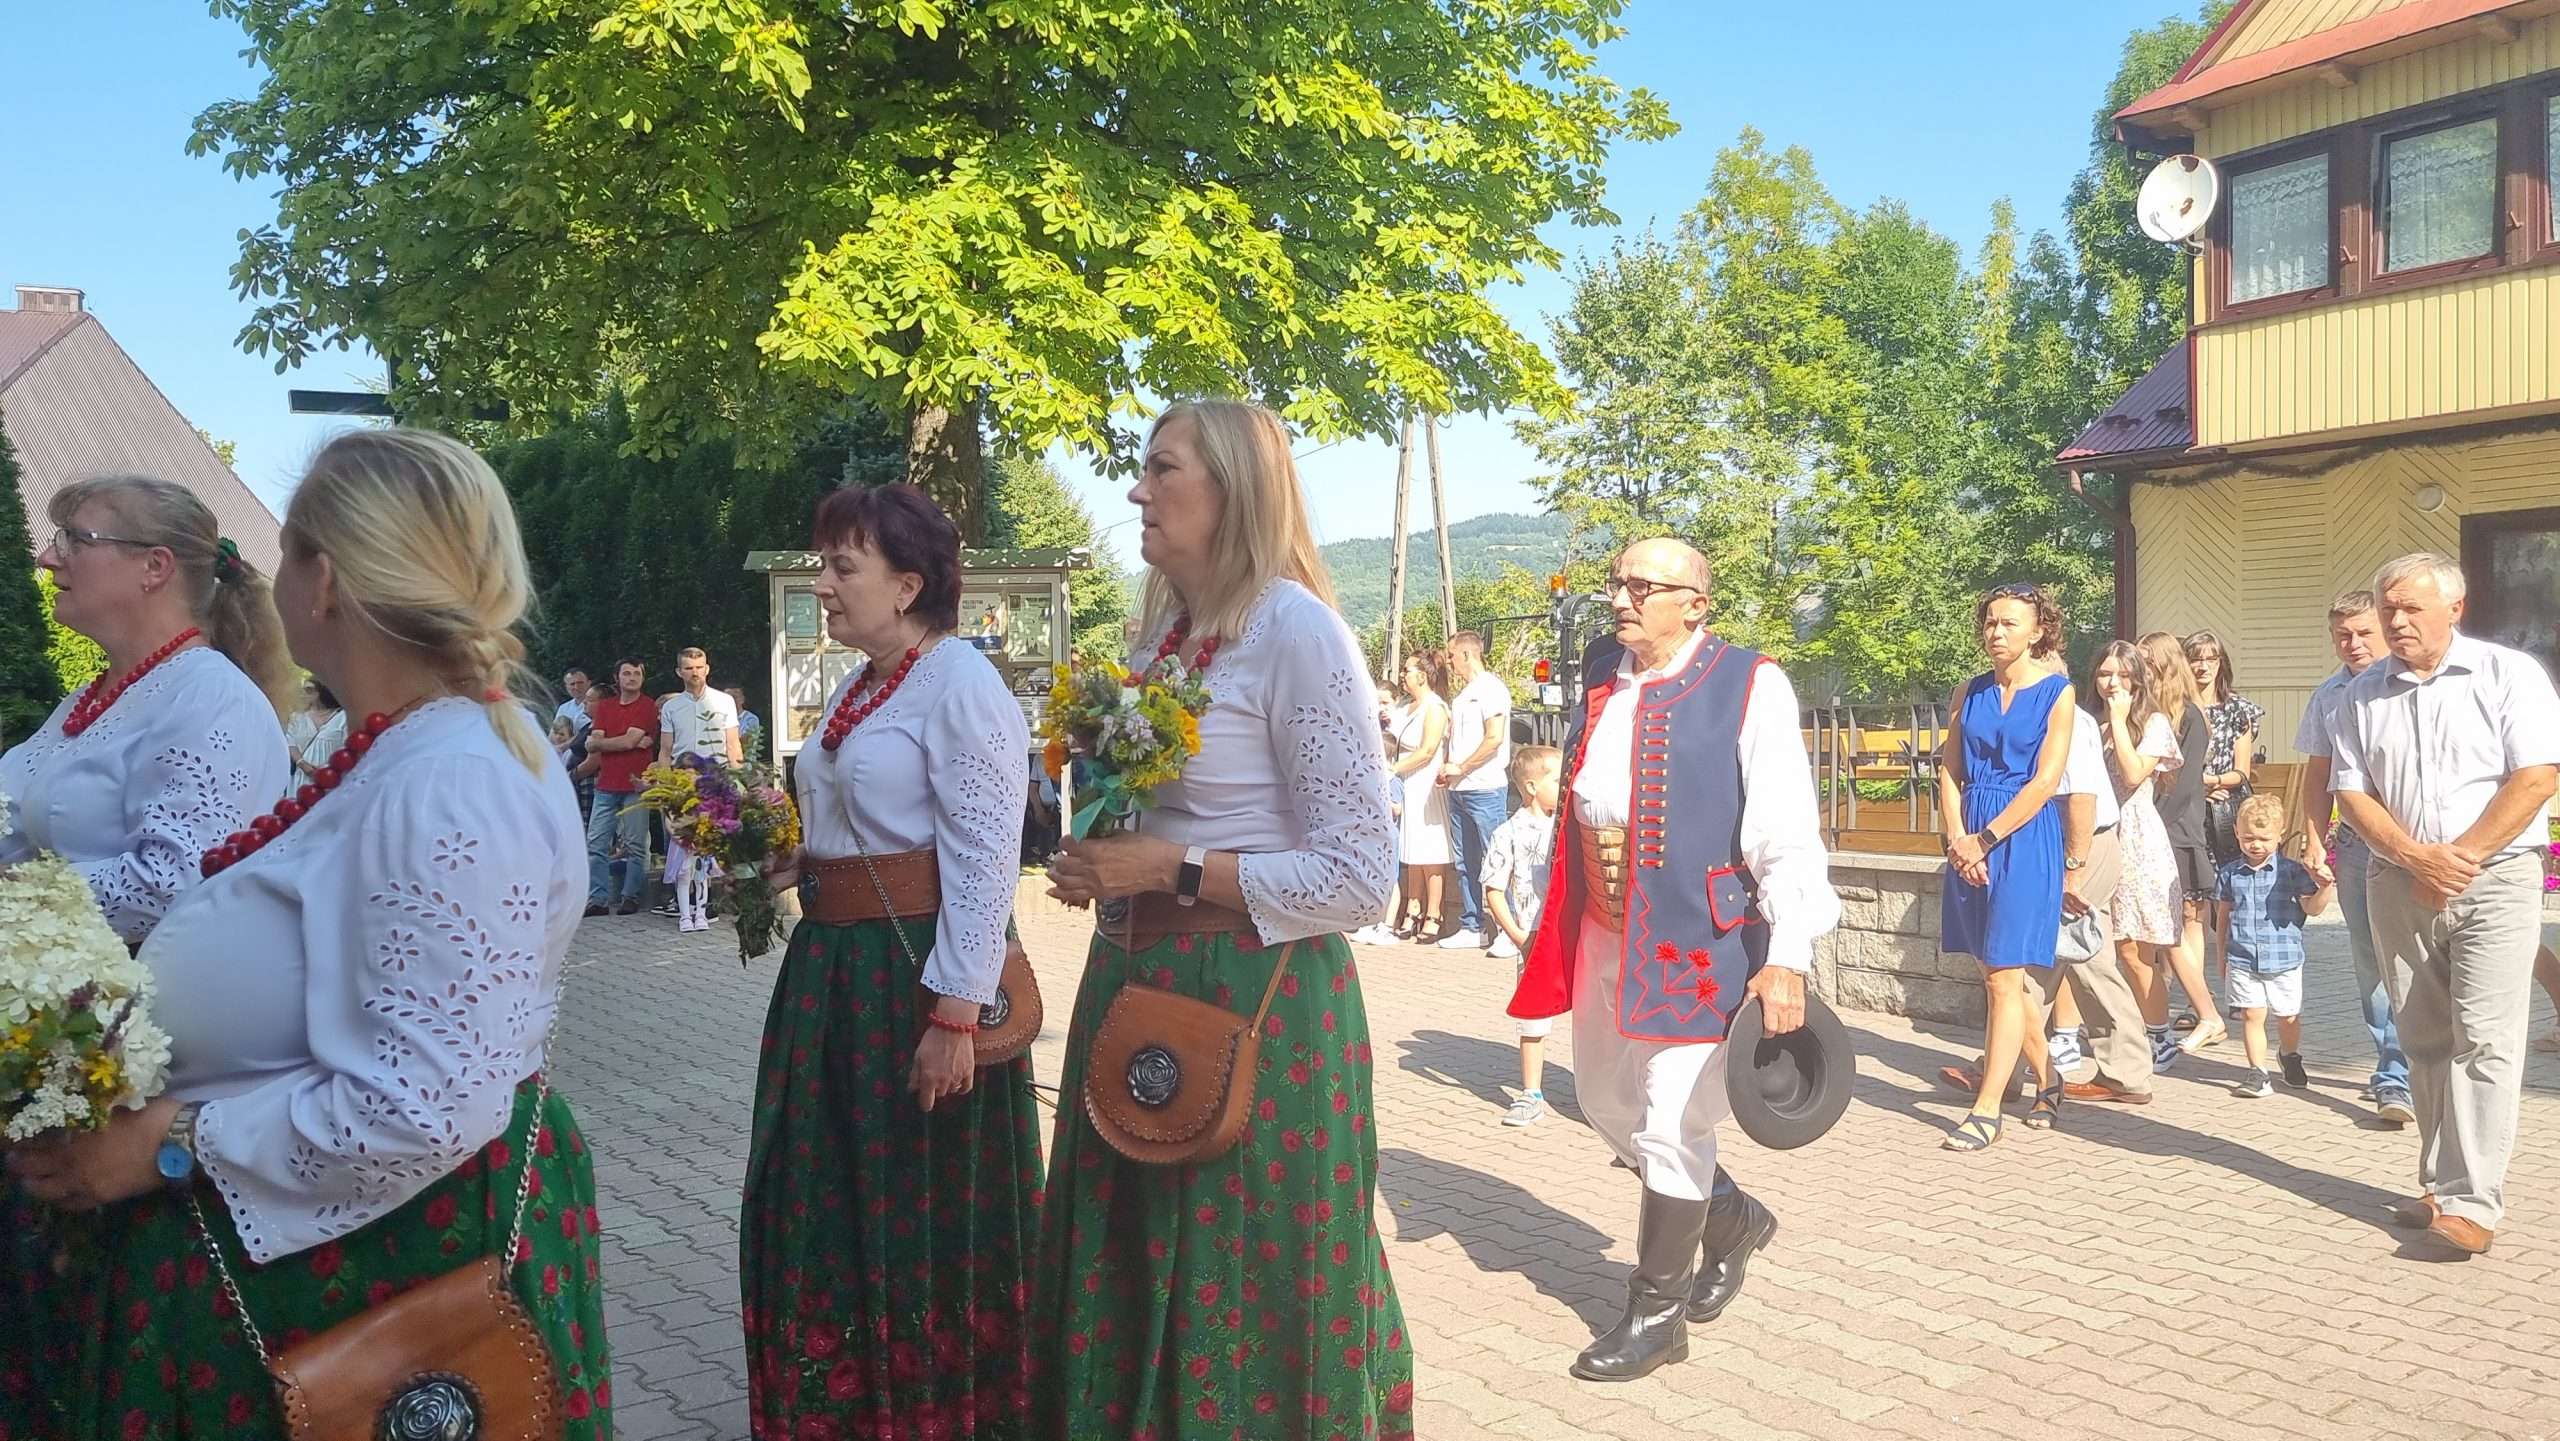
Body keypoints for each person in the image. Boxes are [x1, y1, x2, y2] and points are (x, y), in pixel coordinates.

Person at [2, 428, 613, 1434]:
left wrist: (170, 1143)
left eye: (287, 550)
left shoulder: (450, 780)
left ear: (324, 580)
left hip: (375, 1282)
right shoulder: (403, 749)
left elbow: (423, 1102)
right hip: (332, 1264)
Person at [1037, 400, 1409, 1438]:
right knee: (1132, 1262)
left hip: (1258, 1002)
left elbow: (1360, 877)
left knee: (1247, 1277)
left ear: (1233, 487)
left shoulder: (1296, 630)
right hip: (1140, 983)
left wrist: (1174, 866)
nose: (1136, 490)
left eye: (1163, 469)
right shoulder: (1164, 638)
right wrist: (1110, 862)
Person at [745, 484, 1040, 1439]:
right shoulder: (863, 684)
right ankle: (845, 1404)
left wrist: (956, 1014)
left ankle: (933, 1410)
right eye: (823, 564)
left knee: (915, 1201)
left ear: (908, 584)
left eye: (843, 566)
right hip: (834, 974)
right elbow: (869, 824)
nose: (823, 585)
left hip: (910, 982)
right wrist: (803, 860)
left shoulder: (960, 685)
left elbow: (985, 859)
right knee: (826, 1196)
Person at [1508, 536, 1835, 1382]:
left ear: (1695, 602)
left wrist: (1787, 953)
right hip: (1604, 929)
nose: (1622, 598)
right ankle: (1734, 1219)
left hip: (1698, 940)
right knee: (1606, 1103)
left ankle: (1657, 1313)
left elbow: (1786, 832)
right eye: (1617, 582)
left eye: (1642, 586)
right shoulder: (1600, 671)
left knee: (1670, 1120)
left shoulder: (1749, 682)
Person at [2331, 553, 2560, 1256]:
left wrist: (2455, 859)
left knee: (2485, 1038)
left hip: (2496, 877)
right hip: (2398, 880)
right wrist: (2413, 856)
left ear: (2454, 609)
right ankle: (2438, 1183)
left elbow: (2536, 776)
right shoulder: (2359, 694)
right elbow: (2352, 792)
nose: (2397, 621)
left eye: (2411, 607)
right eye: (2388, 608)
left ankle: (2471, 1202)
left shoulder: (2508, 673)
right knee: (2424, 1037)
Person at [0, 475, 295, 943]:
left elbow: (172, 883)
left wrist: (16, 892)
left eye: (75, 540)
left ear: (154, 566)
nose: (48, 558)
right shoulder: (93, 697)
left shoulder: (212, 698)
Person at [1934, 585, 2074, 1149]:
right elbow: (1949, 770)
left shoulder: (2058, 693)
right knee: (1994, 974)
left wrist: (1986, 839)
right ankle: (2050, 1080)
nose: (1996, 632)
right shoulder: (1968, 692)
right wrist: (1957, 838)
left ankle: (1987, 1109)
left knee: (2004, 977)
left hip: (2022, 836)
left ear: (2037, 631)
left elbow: (2046, 781)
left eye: (2009, 623)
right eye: (1990, 622)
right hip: (1968, 835)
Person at [2296, 591, 2416, 1123]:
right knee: (2373, 958)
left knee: (2427, 955)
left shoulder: (2414, 683)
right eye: (2343, 635)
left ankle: (2432, 1063)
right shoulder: (2328, 695)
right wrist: (2313, 838)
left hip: (2421, 839)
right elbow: (2318, 775)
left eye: (2364, 632)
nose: (2354, 643)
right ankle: (2394, 1074)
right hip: (2357, 846)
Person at [2053, 663, 2155, 1107]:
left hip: (2085, 844)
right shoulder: (2072, 716)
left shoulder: (2068, 718)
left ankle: (2006, 1070)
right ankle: (2008, 1067)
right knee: (2076, 959)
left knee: (2070, 957)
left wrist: (2073, 870)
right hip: (2073, 844)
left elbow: (2083, 797)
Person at [2137, 631, 2223, 1064]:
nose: (2139, 671)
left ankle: (2206, 1013)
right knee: (2166, 929)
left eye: (2146, 662)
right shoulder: (2153, 713)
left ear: (2165, 665)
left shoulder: (2189, 716)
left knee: (2173, 927)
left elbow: (2184, 787)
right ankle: (2169, 1014)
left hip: (2174, 831)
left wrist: (2151, 825)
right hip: (2159, 827)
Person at [2216, 794, 2331, 1098]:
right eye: (2248, 838)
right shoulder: (2229, 874)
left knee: (2288, 1016)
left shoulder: (2292, 872)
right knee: (2252, 1015)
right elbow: (2224, 916)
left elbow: (2312, 908)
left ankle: (2289, 1055)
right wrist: (2221, 955)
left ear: (2280, 835)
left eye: (2264, 838)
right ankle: (2257, 1073)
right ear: (2237, 833)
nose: (2255, 845)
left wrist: (2325, 887)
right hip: (2242, 958)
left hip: (2285, 958)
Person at [1482, 745, 1561, 1126]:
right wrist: (1518, 936)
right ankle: (1532, 1093)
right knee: (1534, 1016)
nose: (1564, 787)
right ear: (1531, 786)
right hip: (1533, 935)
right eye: (1557, 780)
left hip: (1571, 933)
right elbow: (1494, 889)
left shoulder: (1567, 827)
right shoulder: (1508, 832)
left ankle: (1598, 1093)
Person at [2186, 630, 2264, 975]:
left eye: (2210, 659)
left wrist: (2211, 782)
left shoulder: (2237, 710)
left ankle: (2236, 974)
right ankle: (2193, 982)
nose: (2203, 666)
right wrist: (2194, 786)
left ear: (2221, 664)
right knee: (2192, 902)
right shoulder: (2174, 708)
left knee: (2230, 898)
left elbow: (2241, 772)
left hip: (2223, 813)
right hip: (2185, 810)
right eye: (2195, 658)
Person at [1439, 630, 1513, 950]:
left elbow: (1494, 738)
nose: (1449, 661)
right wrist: (1449, 769)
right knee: (1464, 860)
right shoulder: (1464, 695)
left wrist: (1463, 767)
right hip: (1459, 789)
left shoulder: (1491, 689)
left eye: (1452, 655)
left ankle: (1510, 929)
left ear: (1467, 654)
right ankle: (1473, 925)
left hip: (1485, 788)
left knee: (1496, 857)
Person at [656, 646, 740, 929]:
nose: (695, 673)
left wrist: (738, 781)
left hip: (715, 781)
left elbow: (733, 744)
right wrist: (665, 787)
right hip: (684, 781)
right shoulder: (671, 707)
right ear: (679, 672)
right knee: (682, 847)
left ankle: (705, 908)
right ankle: (683, 908)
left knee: (709, 846)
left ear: (707, 669)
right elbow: (665, 750)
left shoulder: (724, 702)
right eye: (689, 668)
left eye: (699, 667)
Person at [1385, 649, 1455, 941]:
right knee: (1412, 848)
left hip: (1425, 781)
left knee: (1431, 849)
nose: (1403, 675)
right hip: (1407, 781)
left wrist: (1393, 768)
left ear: (1423, 676)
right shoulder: (1406, 707)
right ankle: (1412, 906)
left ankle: (1434, 912)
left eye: (1408, 670)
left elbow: (1427, 750)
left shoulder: (1434, 707)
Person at [585, 658, 660, 917]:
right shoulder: (605, 706)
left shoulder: (647, 705)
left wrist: (607, 743)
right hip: (606, 784)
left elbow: (624, 742)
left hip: (635, 785)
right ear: (617, 678)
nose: (632, 678)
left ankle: (631, 897)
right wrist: (625, 742)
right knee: (596, 842)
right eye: (626, 673)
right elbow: (593, 744)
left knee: (635, 844)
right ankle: (598, 900)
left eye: (637, 673)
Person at [283, 677, 349, 787]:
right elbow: (291, 743)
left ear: (323, 691)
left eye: (309, 690)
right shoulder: (297, 717)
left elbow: (346, 746)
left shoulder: (341, 717)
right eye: (304, 690)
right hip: (302, 777)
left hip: (332, 778)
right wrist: (303, 764)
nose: (304, 694)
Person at [556, 666, 591, 731]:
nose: (576, 687)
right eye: (572, 684)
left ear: (589, 683)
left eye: (580, 683)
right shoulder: (563, 708)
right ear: (566, 687)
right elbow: (555, 732)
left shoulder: (597, 706)